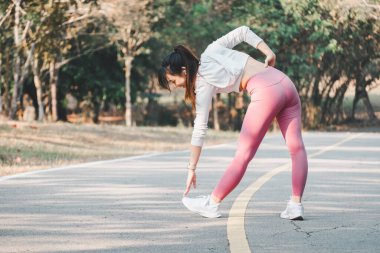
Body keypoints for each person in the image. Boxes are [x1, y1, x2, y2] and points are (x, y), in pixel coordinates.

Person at [157, 26, 308, 220]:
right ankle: (295, 205)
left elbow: (199, 129)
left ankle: (212, 203)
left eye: (173, 81)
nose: (175, 86)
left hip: (266, 91)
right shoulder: (211, 50)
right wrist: (268, 52)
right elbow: (243, 31)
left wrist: (191, 169)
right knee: (297, 148)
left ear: (184, 71)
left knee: (243, 154)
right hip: (285, 83)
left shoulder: (203, 85)